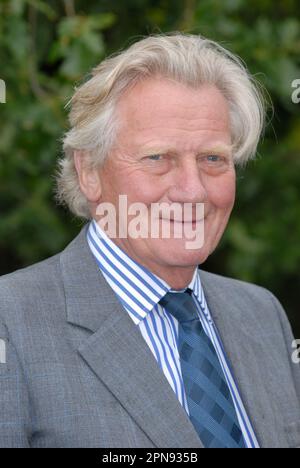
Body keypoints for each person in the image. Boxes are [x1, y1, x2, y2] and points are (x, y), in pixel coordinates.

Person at [0, 33, 299, 449]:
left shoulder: (262, 315)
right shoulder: (11, 324)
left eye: (213, 159)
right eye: (158, 158)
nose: (192, 191)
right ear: (89, 172)